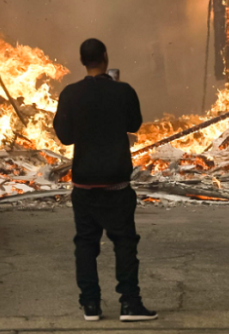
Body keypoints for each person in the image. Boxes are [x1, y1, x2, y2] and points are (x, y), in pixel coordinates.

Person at [53, 38, 158, 322]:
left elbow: (65, 136)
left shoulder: (70, 94)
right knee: (124, 242)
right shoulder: (123, 91)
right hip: (116, 184)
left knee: (86, 244)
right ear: (105, 57)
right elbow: (133, 125)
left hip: (84, 184)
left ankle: (90, 305)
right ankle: (129, 304)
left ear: (82, 60)